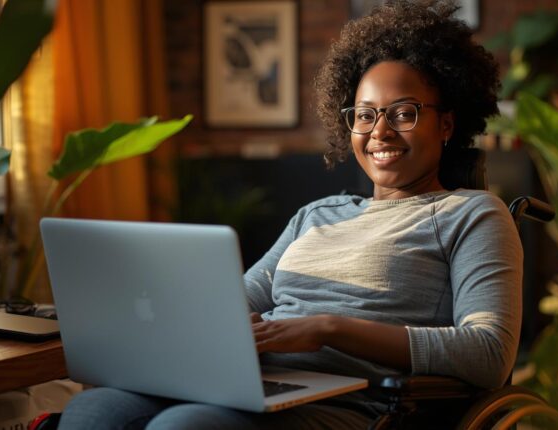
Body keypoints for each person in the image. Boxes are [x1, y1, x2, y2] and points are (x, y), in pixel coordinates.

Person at [58, 1, 521, 428]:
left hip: (355, 406)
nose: (380, 130)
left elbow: (488, 353)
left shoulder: (473, 213)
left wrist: (327, 329)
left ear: (446, 124)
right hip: (258, 382)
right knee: (94, 409)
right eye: (364, 115)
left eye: (403, 113)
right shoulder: (317, 215)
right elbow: (235, 301)